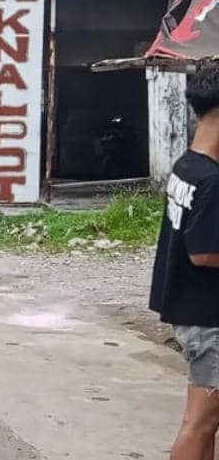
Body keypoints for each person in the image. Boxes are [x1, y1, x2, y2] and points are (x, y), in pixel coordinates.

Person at [151, 62, 219, 460]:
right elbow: (204, 252)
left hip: (192, 312)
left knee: (204, 424)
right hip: (209, 318)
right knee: (201, 423)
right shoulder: (211, 181)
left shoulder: (187, 166)